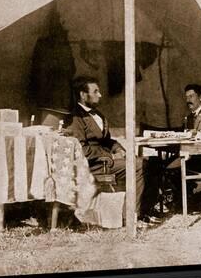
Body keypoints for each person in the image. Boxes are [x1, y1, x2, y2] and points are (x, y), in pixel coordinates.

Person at [64, 76, 160, 223]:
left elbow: (107, 140)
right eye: (95, 91)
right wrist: (110, 156)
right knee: (138, 166)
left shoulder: (99, 115)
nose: (100, 95)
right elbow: (82, 149)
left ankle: (146, 211)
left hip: (106, 161)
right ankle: (130, 217)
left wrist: (119, 150)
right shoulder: (76, 118)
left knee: (152, 163)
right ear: (83, 95)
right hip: (93, 165)